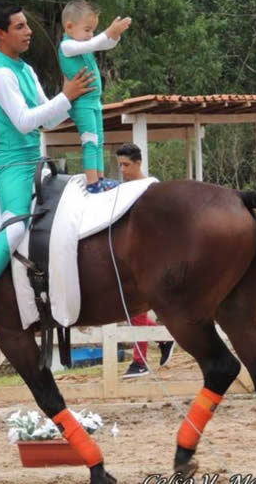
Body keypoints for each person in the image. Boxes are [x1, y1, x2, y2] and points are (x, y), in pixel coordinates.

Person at [0, 1, 96, 342]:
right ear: (0, 34)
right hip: (12, 166)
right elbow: (24, 123)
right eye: (20, 27)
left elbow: (48, 120)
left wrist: (73, 99)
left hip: (35, 161)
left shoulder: (25, 70)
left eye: (26, 25)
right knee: (14, 226)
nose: (28, 32)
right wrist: (65, 95)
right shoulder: (1, 76)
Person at [58, 0, 131, 193]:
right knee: (90, 140)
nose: (90, 35)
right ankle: (92, 182)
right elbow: (97, 42)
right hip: (82, 103)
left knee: (99, 140)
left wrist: (114, 35)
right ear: (70, 26)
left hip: (94, 102)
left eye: (93, 31)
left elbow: (105, 44)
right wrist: (107, 33)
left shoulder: (85, 45)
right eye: (88, 29)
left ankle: (99, 177)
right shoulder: (67, 47)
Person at [116, 143, 174, 378]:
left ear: (139, 163)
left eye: (126, 165)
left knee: (135, 309)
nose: (122, 170)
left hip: (149, 259)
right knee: (131, 311)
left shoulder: (152, 187)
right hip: (130, 256)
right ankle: (162, 337)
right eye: (120, 165)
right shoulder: (123, 189)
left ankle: (141, 361)